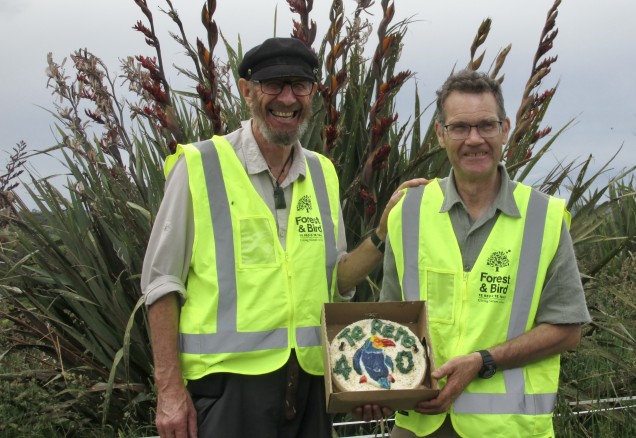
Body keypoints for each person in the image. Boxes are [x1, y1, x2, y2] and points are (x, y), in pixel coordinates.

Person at [141, 37, 425, 438]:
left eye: (300, 85)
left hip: (309, 385)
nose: (287, 98)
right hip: (228, 391)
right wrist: (169, 391)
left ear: (313, 93)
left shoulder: (322, 172)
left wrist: (381, 233)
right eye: (273, 85)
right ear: (246, 91)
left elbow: (335, 281)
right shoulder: (200, 166)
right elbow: (161, 283)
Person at [371, 69, 591, 437]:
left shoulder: (545, 217)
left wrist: (482, 362)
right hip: (419, 426)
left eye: (486, 126)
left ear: (505, 129)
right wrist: (374, 387)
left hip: (509, 430)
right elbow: (390, 321)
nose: (474, 139)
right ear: (441, 134)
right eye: (459, 128)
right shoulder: (407, 212)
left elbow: (567, 331)